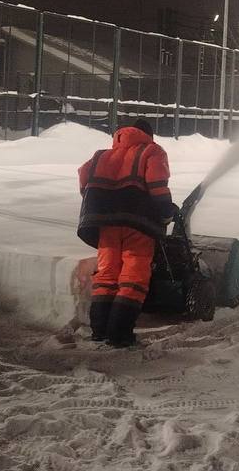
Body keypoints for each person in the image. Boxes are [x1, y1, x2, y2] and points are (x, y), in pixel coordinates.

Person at [77, 119, 178, 347]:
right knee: (134, 275)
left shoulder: (101, 155)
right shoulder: (152, 151)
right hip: (137, 222)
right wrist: (166, 213)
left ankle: (99, 331)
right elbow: (158, 186)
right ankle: (119, 334)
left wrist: (102, 201)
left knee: (107, 274)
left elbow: (84, 176)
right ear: (148, 135)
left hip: (106, 224)